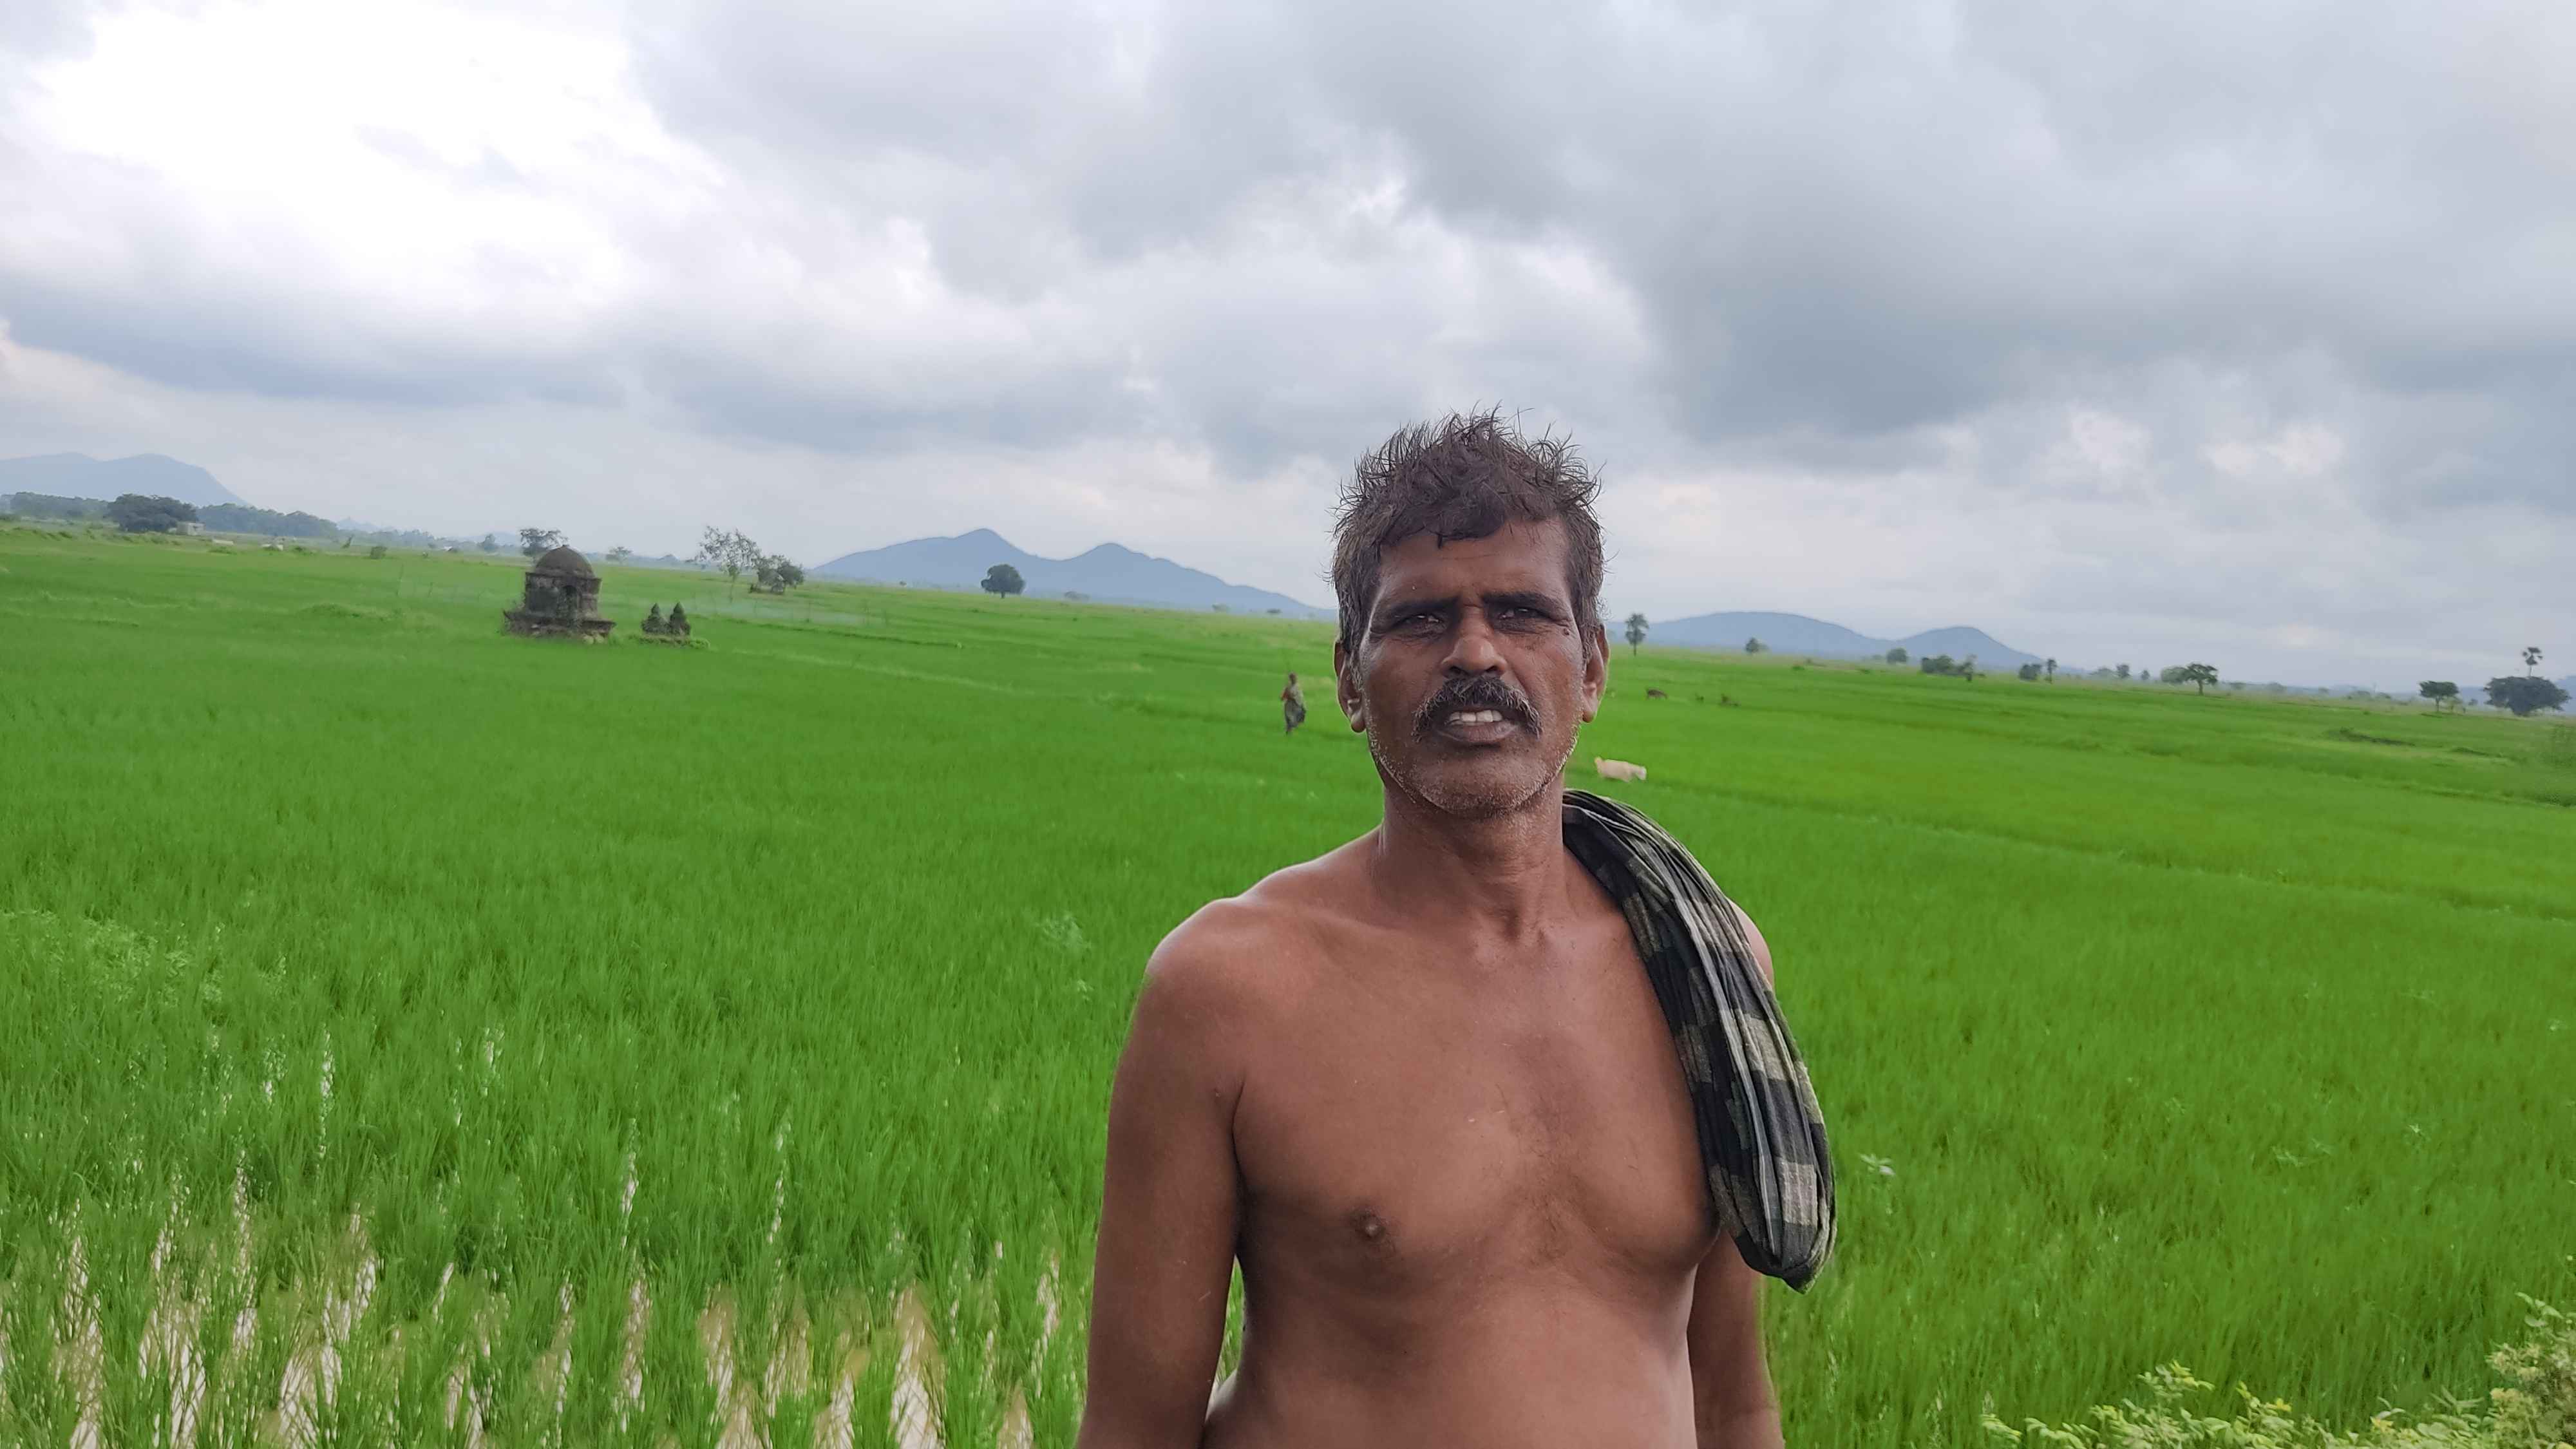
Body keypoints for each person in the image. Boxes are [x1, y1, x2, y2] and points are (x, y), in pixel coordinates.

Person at [1078, 410, 1833, 1449]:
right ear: (1350, 680)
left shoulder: (1705, 965)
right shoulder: (1226, 993)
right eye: (1422, 619)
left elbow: (1735, 1399)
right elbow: (1132, 1432)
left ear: (1593, 668)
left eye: (1523, 612)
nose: (1476, 650)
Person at [1280, 671, 1307, 735]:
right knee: (1289, 719)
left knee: (1294, 719)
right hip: (1289, 705)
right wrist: (1286, 694)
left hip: (1296, 705)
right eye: (1292, 678)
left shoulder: (1298, 687)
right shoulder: (1288, 687)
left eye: (1294, 678)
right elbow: (1283, 696)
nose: (1294, 679)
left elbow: (1299, 697)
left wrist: (1292, 696)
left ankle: (1290, 729)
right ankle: (1288, 732)